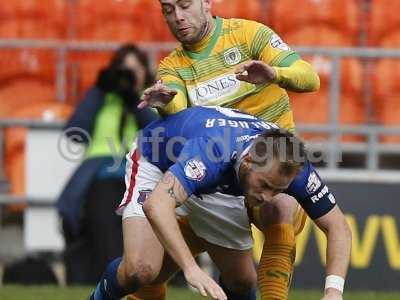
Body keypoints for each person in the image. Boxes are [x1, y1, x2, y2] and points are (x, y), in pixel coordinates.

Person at [137, 1, 321, 298]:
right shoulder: (172, 66)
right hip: (217, 182)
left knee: (280, 206)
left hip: (265, 171)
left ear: (207, 3)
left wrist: (274, 74)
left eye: (185, 5)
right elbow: (179, 109)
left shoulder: (249, 35)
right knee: (144, 271)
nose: (178, 17)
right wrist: (166, 104)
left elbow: (310, 78)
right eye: (168, 10)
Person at [89, 106, 351, 300]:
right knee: (141, 270)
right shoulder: (213, 150)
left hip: (218, 182)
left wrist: (333, 291)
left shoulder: (293, 167)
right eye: (265, 186)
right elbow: (157, 205)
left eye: (278, 190)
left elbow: (338, 225)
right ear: (248, 162)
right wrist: (191, 270)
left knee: (241, 281)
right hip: (157, 161)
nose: (267, 198)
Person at [57, 44, 159, 284]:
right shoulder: (103, 97)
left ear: (145, 73)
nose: (128, 75)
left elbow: (158, 134)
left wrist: (134, 98)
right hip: (101, 174)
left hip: (139, 173)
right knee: (103, 218)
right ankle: (110, 283)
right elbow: (74, 132)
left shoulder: (152, 98)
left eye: (135, 70)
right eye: (123, 70)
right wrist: (100, 89)